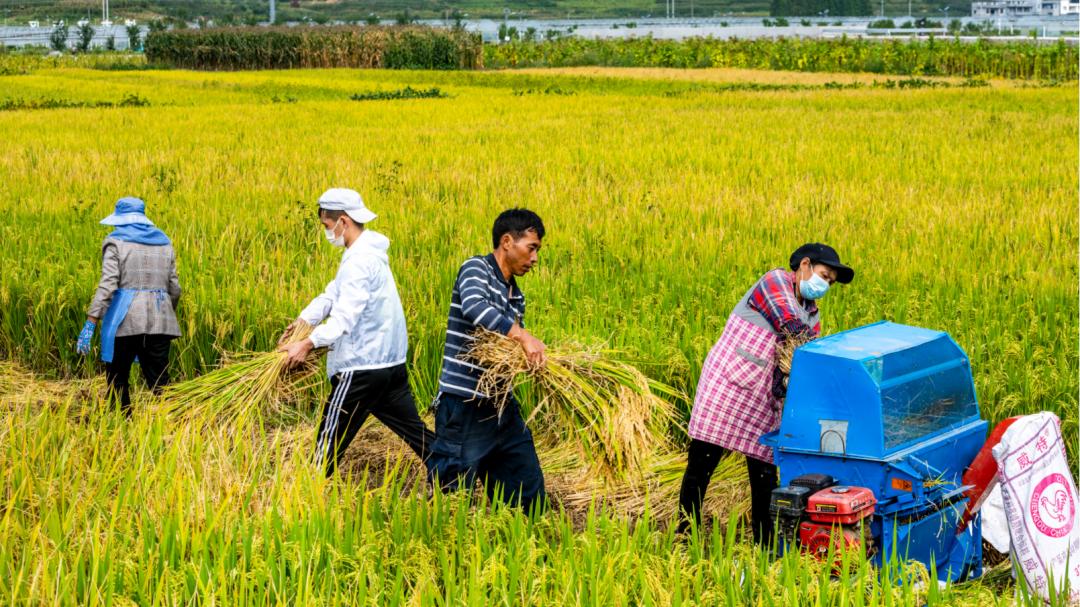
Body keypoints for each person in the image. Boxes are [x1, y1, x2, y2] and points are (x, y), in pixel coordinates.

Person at [677, 243, 854, 544]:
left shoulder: (813, 314)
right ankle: (684, 535)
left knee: (764, 476)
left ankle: (766, 546)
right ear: (805, 266)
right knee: (701, 465)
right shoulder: (774, 282)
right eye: (824, 276)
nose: (825, 285)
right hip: (728, 385)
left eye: (831, 283)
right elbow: (793, 329)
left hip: (764, 401)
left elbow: (807, 358)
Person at [278, 188, 434, 478]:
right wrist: (304, 319)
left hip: (360, 368)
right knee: (419, 436)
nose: (327, 233)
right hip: (388, 366)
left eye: (327, 226)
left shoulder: (359, 261)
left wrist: (307, 343)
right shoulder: (366, 254)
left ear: (344, 222)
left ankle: (305, 493)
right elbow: (333, 293)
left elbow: (343, 318)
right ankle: (454, 479)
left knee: (327, 443)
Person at [427, 208, 548, 513]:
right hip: (463, 407)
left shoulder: (515, 296)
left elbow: (502, 351)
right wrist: (522, 337)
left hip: (501, 407)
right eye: (531, 248)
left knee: (526, 490)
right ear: (507, 241)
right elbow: (474, 306)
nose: (534, 259)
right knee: (452, 501)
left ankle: (521, 550)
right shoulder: (476, 269)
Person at [77, 196, 181, 414]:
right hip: (161, 322)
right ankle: (177, 424)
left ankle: (121, 426)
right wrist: (165, 314)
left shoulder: (115, 242)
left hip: (125, 322)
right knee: (161, 383)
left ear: (121, 220)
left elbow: (108, 286)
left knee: (118, 379)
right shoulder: (165, 242)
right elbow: (175, 288)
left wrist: (91, 322)